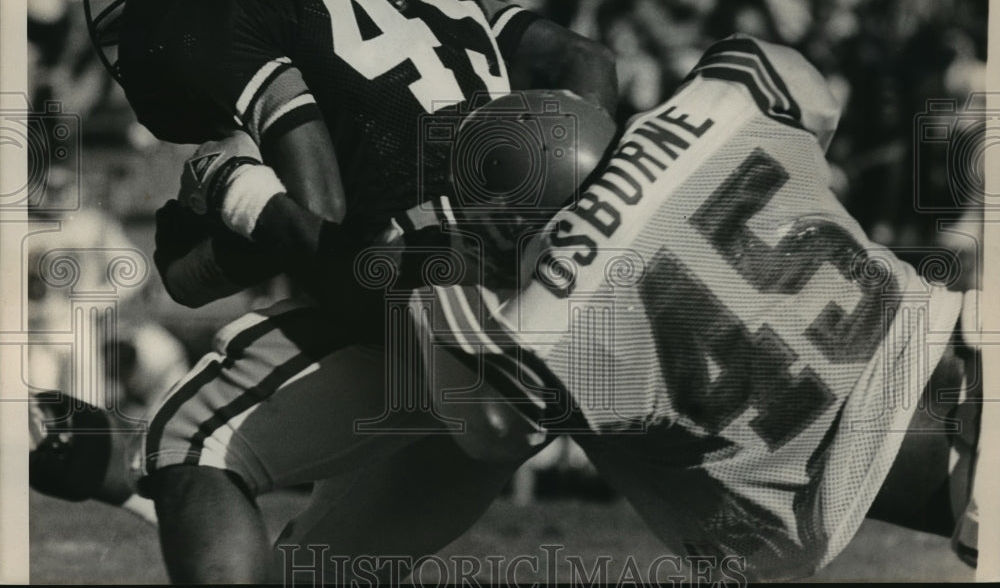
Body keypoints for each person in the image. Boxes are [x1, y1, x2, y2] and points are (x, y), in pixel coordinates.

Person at [34, 0, 617, 583]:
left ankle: (111, 457)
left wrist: (245, 206)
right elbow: (586, 60)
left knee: (189, 441)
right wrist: (574, 224)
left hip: (428, 303)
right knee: (306, 571)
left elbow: (325, 223)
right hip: (524, 302)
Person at [185, 34, 981, 581]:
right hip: (961, 343)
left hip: (891, 474)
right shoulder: (718, 110)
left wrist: (424, 262)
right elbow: (798, 81)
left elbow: (488, 420)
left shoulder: (555, 322)